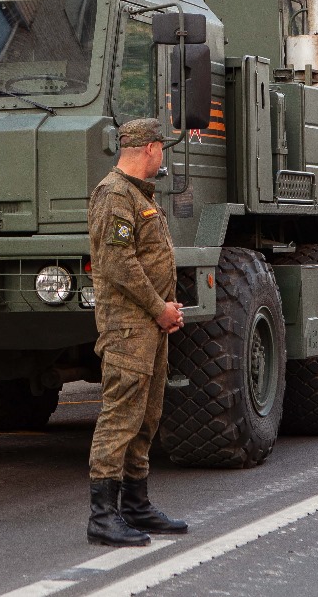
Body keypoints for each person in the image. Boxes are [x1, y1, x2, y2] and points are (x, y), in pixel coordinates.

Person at [85, 117, 187, 547]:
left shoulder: (139, 195)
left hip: (149, 324)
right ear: (149, 148)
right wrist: (157, 307)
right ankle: (103, 517)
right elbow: (117, 264)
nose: (162, 155)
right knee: (120, 416)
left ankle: (136, 505)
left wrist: (167, 308)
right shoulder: (114, 195)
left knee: (146, 416)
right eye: (161, 147)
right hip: (128, 326)